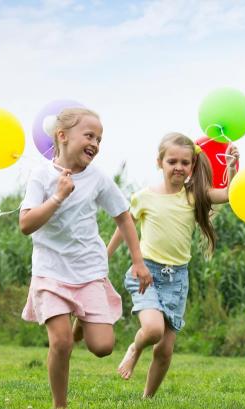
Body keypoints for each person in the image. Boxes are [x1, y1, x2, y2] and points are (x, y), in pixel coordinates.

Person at [19, 107, 149, 409]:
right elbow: (26, 225)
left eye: (100, 139)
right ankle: (59, 405)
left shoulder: (98, 178)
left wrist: (138, 261)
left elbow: (123, 216)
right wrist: (58, 196)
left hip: (88, 270)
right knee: (61, 342)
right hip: (50, 272)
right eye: (89, 135)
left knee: (102, 347)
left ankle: (81, 321)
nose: (96, 143)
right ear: (62, 136)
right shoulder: (40, 176)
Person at [108, 132, 238, 398]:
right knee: (153, 330)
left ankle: (147, 398)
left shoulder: (195, 196)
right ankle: (134, 348)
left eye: (185, 162)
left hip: (177, 279)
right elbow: (125, 226)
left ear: (192, 165)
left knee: (165, 350)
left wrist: (233, 169)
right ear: (160, 162)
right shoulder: (144, 197)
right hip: (146, 273)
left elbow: (228, 195)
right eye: (172, 161)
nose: (179, 167)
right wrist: (106, 255)